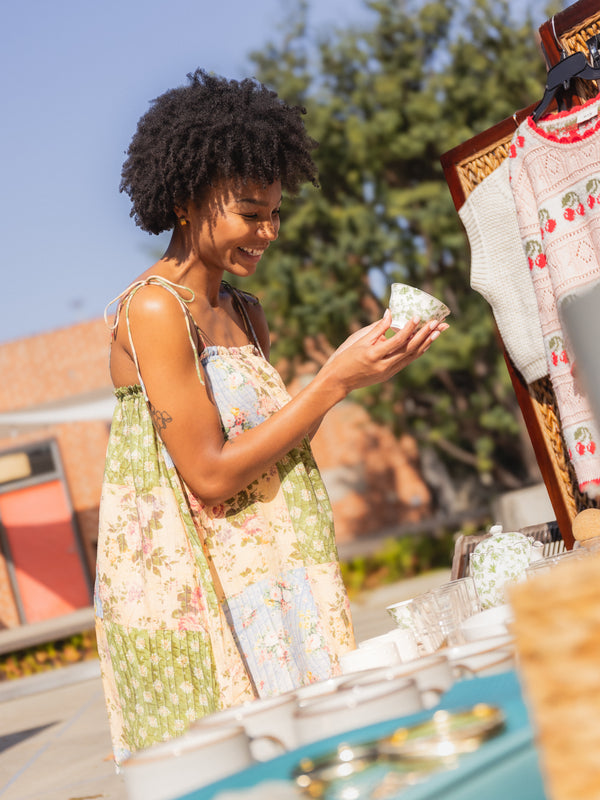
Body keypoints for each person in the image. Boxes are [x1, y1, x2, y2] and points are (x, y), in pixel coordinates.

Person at [94, 69, 449, 766]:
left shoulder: (244, 311)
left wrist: (362, 373)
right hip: (200, 593)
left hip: (274, 569)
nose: (269, 232)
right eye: (252, 213)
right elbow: (209, 475)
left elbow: (271, 450)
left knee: (320, 757)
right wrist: (330, 384)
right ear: (188, 200)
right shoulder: (156, 308)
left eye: (275, 214)